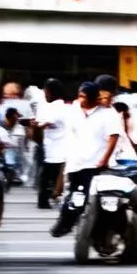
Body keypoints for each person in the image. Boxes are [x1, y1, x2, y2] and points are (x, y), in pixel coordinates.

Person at [51, 81, 121, 237]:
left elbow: (113, 137)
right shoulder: (72, 111)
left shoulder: (108, 114)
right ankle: (66, 224)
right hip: (75, 164)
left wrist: (104, 159)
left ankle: (101, 230)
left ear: (93, 98)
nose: (80, 98)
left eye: (84, 96)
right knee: (75, 197)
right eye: (79, 95)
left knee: (93, 198)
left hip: (96, 165)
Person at [32, 78, 69, 209]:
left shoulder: (60, 107)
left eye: (46, 91)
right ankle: (46, 199)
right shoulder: (47, 106)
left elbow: (46, 122)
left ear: (51, 92)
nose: (45, 94)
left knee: (52, 176)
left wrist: (37, 125)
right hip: (50, 148)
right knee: (48, 176)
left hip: (60, 149)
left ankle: (50, 198)